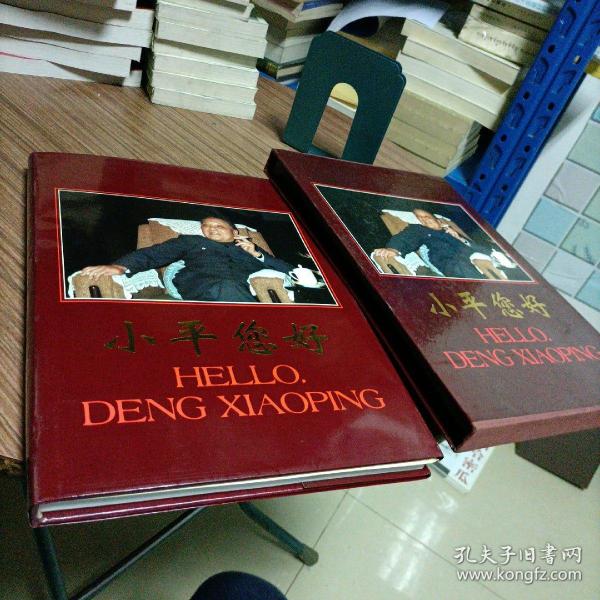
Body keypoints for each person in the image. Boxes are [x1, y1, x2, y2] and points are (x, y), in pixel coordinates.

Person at [81, 216, 294, 302]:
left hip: (241, 289)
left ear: (235, 231)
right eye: (206, 227)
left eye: (218, 226)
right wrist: (120, 266)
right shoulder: (192, 241)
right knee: (227, 288)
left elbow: (290, 271)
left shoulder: (250, 249)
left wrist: (257, 254)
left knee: (233, 289)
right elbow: (155, 254)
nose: (211, 230)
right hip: (201, 285)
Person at [373, 208, 505, 279]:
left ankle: (495, 268)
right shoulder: (420, 230)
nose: (423, 219)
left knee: (481, 257)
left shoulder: (450, 230)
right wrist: (393, 249)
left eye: (426, 216)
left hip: (473, 253)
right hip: (448, 259)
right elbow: (406, 238)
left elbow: (474, 245)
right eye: (419, 218)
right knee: (464, 267)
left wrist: (458, 237)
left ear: (438, 220)